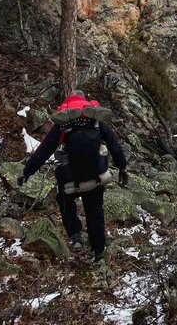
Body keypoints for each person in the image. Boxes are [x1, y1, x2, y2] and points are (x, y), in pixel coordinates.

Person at [18, 90, 128, 262]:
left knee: (64, 201)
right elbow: (114, 144)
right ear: (85, 101)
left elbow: (44, 150)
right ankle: (98, 250)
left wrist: (27, 172)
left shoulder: (64, 122)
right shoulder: (95, 120)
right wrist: (122, 167)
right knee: (95, 211)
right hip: (96, 176)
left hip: (71, 179)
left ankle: (75, 235)